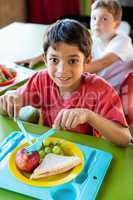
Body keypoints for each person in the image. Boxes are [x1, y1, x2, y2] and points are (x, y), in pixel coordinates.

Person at [0, 19, 131, 146]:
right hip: (49, 151)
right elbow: (8, 106)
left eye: (73, 61)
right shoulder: (41, 80)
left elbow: (125, 138)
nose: (62, 70)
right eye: (54, 60)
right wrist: (10, 99)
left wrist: (89, 116)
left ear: (87, 60)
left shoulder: (101, 90)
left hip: (86, 157)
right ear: (45, 59)